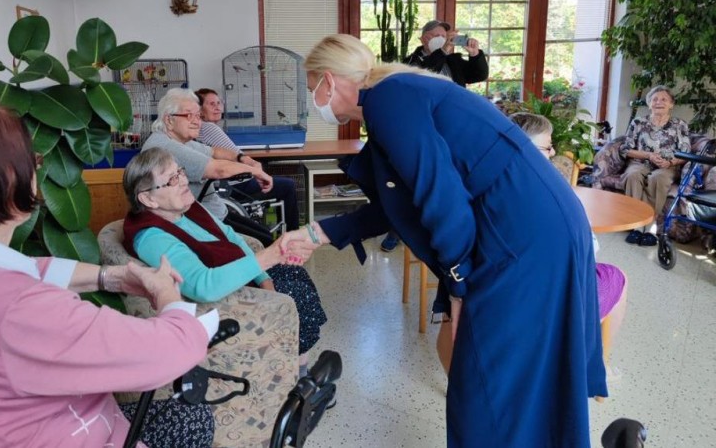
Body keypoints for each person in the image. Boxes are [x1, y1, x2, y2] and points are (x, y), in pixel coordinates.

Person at [280, 34, 606, 447]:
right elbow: (398, 203)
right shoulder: (392, 97)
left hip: (523, 230)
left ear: (329, 80)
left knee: (489, 376)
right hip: (530, 218)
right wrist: (316, 234)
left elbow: (440, 194)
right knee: (505, 371)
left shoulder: (388, 98)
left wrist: (458, 283)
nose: (315, 101)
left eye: (312, 90)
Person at [0, 93, 219, 447]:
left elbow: (30, 268)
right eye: (34, 161)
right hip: (74, 434)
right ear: (9, 179)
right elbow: (172, 350)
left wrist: (111, 276)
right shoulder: (19, 309)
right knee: (193, 419)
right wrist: (169, 295)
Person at [121, 147, 327, 376]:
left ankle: (297, 366)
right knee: (295, 294)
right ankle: (299, 376)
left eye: (180, 172)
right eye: (172, 179)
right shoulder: (151, 237)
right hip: (224, 299)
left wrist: (264, 277)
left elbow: (230, 235)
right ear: (148, 198)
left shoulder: (186, 207)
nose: (183, 181)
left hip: (240, 276)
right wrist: (269, 257)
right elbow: (202, 286)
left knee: (295, 275)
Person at [511, 112, 628, 368]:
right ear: (525, 148)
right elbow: (587, 252)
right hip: (553, 301)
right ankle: (596, 363)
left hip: (507, 291)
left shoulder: (492, 186)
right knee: (617, 276)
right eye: (547, 147)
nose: (553, 153)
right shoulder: (557, 195)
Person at [380, 19, 489, 252]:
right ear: (423, 38)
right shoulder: (411, 61)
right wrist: (441, 51)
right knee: (412, 179)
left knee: (454, 176)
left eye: (446, 35)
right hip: (421, 127)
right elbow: (425, 72)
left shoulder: (453, 60)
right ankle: (397, 229)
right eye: (437, 35)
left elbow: (478, 75)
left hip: (453, 126)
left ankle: (450, 226)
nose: (443, 38)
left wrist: (475, 54)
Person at [144, 88, 276, 246]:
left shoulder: (177, 140)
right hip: (201, 222)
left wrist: (245, 159)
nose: (196, 121)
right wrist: (256, 171)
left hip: (215, 213)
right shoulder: (165, 147)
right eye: (188, 115)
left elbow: (214, 151)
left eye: (198, 115)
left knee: (267, 236)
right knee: (267, 242)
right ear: (169, 120)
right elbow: (217, 169)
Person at [195, 87, 301, 231]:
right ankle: (293, 233)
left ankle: (273, 224)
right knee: (288, 185)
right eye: (211, 104)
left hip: (223, 183)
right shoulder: (208, 128)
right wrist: (255, 169)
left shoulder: (200, 129)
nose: (217, 107)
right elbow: (238, 156)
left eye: (219, 103)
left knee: (271, 177)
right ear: (199, 110)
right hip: (235, 184)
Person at [620, 85, 691, 247]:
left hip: (667, 165)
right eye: (655, 99)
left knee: (658, 178)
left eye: (664, 99)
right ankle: (635, 225)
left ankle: (650, 227)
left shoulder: (680, 125)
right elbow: (626, 149)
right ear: (649, 103)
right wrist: (648, 155)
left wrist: (670, 162)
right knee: (632, 175)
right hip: (641, 161)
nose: (659, 102)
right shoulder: (638, 122)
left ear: (671, 104)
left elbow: (685, 152)